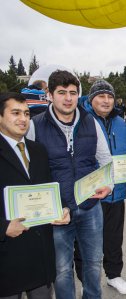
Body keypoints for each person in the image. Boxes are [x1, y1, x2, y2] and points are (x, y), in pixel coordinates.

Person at [27, 70, 113, 299]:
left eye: (73, 93)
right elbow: (29, 172)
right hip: (57, 213)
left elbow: (105, 160)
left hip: (90, 207)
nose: (68, 98)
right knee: (62, 270)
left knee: (94, 263)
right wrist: (45, 208)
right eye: (62, 92)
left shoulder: (90, 122)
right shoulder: (35, 125)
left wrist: (109, 185)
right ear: (50, 95)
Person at [0, 92, 69, 299]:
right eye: (15, 113)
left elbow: (49, 186)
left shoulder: (38, 150)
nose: (23, 119)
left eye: (27, 114)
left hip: (40, 255)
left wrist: (62, 208)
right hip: (7, 255)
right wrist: (3, 228)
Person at [75, 80, 126, 294]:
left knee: (114, 237)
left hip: (116, 192)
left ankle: (114, 275)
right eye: (101, 96)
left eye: (109, 96)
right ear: (91, 99)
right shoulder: (82, 120)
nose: (106, 101)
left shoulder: (120, 122)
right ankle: (86, 282)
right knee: (85, 242)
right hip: (92, 193)